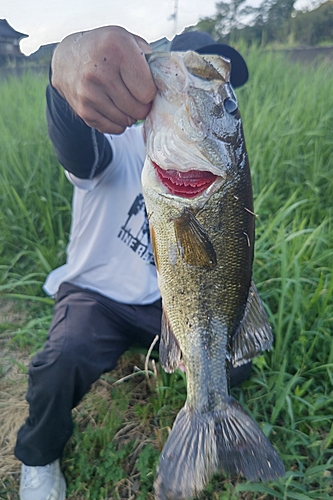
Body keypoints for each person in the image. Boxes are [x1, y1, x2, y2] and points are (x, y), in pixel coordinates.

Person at [14, 26, 250, 500]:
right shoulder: (110, 141)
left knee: (235, 363)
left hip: (166, 300)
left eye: (221, 100)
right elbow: (73, 145)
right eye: (189, 71)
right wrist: (65, 70)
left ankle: (208, 414)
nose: (206, 91)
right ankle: (39, 458)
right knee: (60, 364)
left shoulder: (222, 165)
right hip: (97, 296)